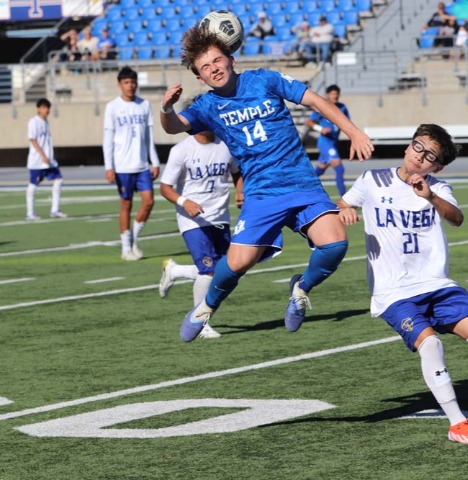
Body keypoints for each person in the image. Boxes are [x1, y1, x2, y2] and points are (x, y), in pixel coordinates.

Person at [159, 26, 373, 342]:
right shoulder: (207, 106)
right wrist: (166, 108)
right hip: (262, 194)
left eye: (217, 60)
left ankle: (301, 288)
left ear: (231, 59)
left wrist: (353, 132)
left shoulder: (265, 80)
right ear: (200, 78)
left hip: (302, 184)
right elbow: (173, 126)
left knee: (336, 244)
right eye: (205, 67)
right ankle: (205, 307)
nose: (213, 68)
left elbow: (315, 101)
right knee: (237, 264)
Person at [336, 124, 468, 445]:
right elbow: (343, 203)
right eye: (417, 146)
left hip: (436, 283)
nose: (419, 156)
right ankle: (456, 423)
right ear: (408, 146)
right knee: (431, 345)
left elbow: (456, 218)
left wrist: (430, 197)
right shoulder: (372, 179)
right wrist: (345, 211)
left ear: (437, 167)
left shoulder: (438, 187)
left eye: (429, 156)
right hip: (393, 291)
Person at [158, 105, 244, 340]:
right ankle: (200, 322)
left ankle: (175, 271)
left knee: (228, 270)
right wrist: (184, 202)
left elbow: (237, 172)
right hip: (192, 220)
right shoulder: (181, 150)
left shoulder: (226, 145)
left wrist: (240, 190)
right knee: (209, 270)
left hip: (220, 217)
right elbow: (165, 188)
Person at [102, 66, 160, 261]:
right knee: (126, 205)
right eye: (126, 82)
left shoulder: (145, 105)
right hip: (122, 166)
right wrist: (109, 166)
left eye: (133, 82)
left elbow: (149, 137)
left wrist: (154, 161)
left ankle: (133, 237)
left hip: (142, 165)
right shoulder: (112, 107)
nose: (130, 85)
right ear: (120, 84)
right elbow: (108, 139)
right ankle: (126, 248)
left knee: (149, 201)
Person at [26, 98, 66, 220]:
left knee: (58, 179)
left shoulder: (46, 122)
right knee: (33, 184)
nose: (46, 110)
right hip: (37, 161)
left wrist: (48, 156)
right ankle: (30, 213)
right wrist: (42, 155)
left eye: (48, 108)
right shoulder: (33, 122)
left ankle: (55, 209)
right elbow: (33, 140)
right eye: (44, 107)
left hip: (49, 161)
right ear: (38, 109)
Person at [306, 84, 349, 196]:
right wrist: (320, 129)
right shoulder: (322, 106)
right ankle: (344, 198)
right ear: (328, 94)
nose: (335, 96)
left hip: (333, 143)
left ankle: (303, 186)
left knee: (320, 169)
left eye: (337, 94)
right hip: (325, 142)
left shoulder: (342, 107)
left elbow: (348, 123)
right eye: (333, 94)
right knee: (339, 169)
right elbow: (309, 122)